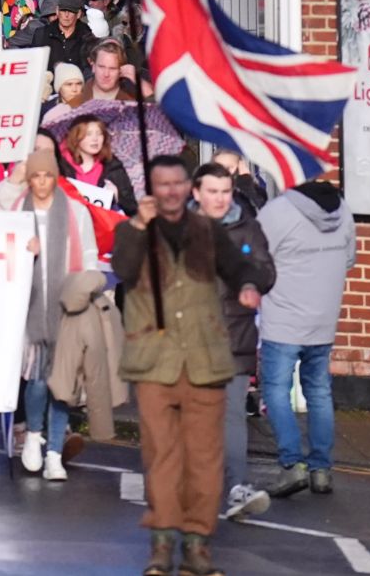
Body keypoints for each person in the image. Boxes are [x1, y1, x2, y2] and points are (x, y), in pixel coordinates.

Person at [114, 155, 266, 576]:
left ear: (189, 189)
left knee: (203, 458)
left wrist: (250, 285)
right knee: (162, 457)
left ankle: (197, 545)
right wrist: (141, 227)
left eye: (178, 183)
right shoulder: (134, 232)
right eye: (162, 184)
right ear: (152, 189)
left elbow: (241, 267)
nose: (170, 191)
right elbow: (122, 268)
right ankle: (162, 543)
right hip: (155, 362)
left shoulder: (208, 231)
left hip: (205, 361)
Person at [250, 174, 357, 498]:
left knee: (276, 391)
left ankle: (292, 464)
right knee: (319, 392)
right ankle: (321, 470)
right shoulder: (343, 210)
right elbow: (350, 260)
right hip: (323, 319)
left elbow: (253, 257)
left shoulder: (277, 211)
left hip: (284, 318)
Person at [191, 162, 276, 520]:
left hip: (234, 335)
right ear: (197, 193)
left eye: (225, 191)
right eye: (212, 192)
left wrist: (250, 283)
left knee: (231, 417)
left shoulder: (247, 227)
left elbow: (266, 268)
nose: (220, 199)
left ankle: (237, 486)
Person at [7, 148, 98, 482]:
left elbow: (88, 252)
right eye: (36, 176)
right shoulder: (16, 210)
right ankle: (33, 435)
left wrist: (85, 288)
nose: (42, 182)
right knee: (36, 379)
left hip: (66, 305)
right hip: (30, 307)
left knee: (64, 383)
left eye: (47, 175)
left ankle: (55, 452)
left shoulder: (75, 212)